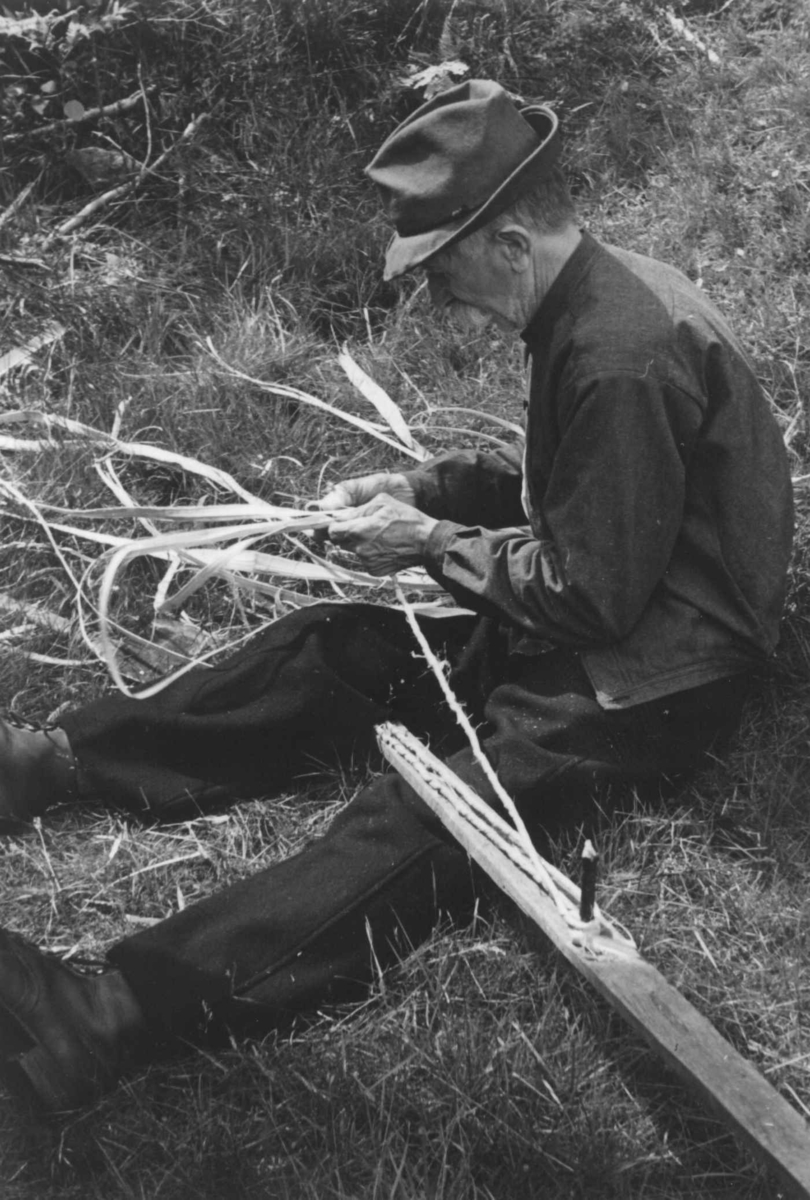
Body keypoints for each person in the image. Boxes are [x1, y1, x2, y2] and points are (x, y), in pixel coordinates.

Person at [0, 80, 793, 1114]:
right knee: (337, 648)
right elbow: (575, 494)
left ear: (508, 240)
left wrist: (427, 543)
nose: (437, 296)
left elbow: (591, 598)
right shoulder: (589, 302)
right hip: (614, 612)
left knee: (433, 812)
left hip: (657, 676)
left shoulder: (618, 356)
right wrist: (429, 491)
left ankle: (117, 1013)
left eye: (441, 268)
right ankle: (60, 762)